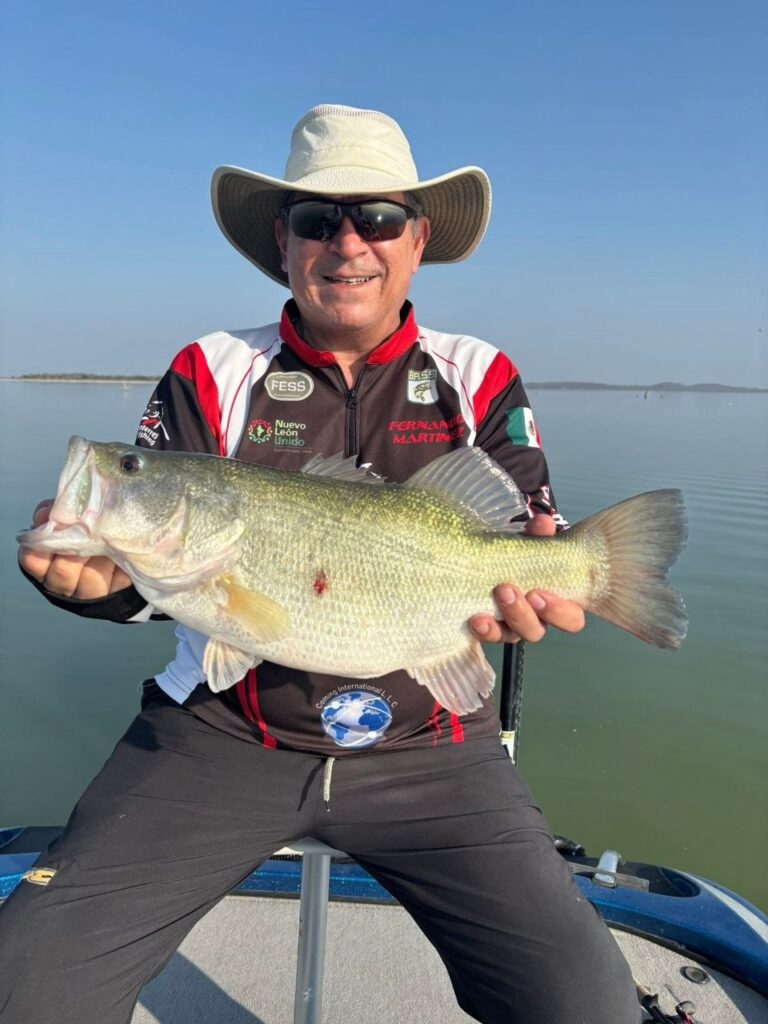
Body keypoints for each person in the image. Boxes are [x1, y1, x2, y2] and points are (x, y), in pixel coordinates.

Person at [3, 104, 640, 1023]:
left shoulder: (479, 373)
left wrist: (554, 579)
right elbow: (158, 589)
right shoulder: (210, 368)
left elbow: (527, 527)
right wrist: (96, 592)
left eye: (377, 217)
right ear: (283, 240)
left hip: (434, 745)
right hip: (221, 730)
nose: (348, 244)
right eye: (317, 219)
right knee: (23, 984)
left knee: (588, 1005)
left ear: (417, 239)